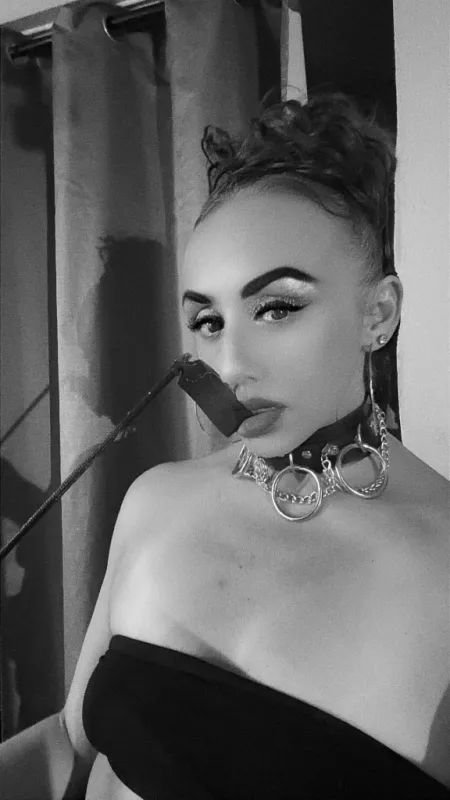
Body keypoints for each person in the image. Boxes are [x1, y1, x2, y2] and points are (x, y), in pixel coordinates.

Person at [1, 93, 449, 799]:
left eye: (277, 307)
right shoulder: (157, 499)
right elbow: (69, 745)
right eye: (207, 321)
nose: (231, 366)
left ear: (379, 313)